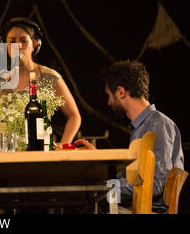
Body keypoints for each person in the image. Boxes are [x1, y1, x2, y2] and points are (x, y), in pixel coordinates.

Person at [74, 60, 184, 213]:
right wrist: (97, 158)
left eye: (109, 95)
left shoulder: (157, 125)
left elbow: (155, 182)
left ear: (120, 92)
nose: (108, 102)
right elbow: (130, 176)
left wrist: (106, 189)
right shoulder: (142, 127)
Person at [0, 17, 81, 151]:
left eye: (23, 41)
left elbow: (74, 116)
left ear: (35, 44)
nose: (18, 46)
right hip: (7, 158)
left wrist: (64, 145)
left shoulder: (50, 77)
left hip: (42, 155)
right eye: (12, 41)